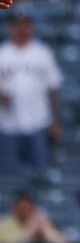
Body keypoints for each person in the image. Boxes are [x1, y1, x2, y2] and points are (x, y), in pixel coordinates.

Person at [0, 14, 62, 177]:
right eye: (18, 25)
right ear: (11, 27)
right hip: (7, 125)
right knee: (9, 176)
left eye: (26, 25)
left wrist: (55, 120)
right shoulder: (3, 53)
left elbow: (53, 89)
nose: (22, 29)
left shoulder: (42, 53)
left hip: (38, 122)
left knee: (39, 175)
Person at [0, 192, 68, 243]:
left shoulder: (41, 223)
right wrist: (30, 231)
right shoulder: (4, 226)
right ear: (14, 208)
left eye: (27, 208)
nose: (24, 211)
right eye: (21, 208)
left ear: (33, 208)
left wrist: (46, 231)